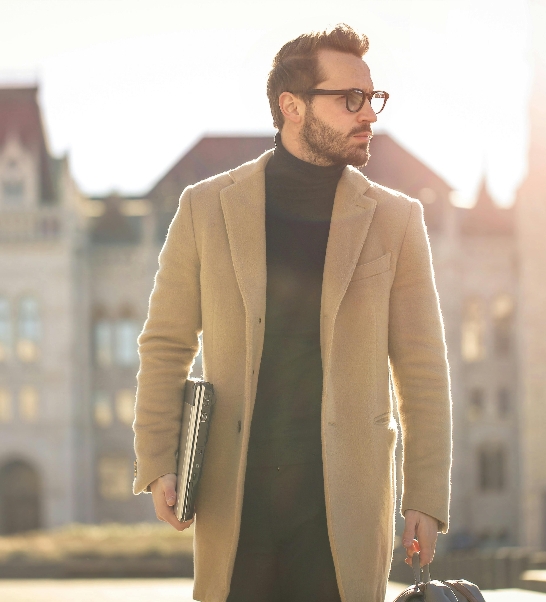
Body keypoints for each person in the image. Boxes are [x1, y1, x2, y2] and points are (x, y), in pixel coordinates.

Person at [133, 23, 452, 602]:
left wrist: (425, 497)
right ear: (293, 107)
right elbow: (166, 343)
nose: (369, 113)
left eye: (373, 97)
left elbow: (422, 370)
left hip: (344, 507)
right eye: (350, 98)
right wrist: (159, 459)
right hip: (235, 497)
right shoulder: (205, 208)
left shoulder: (397, 220)